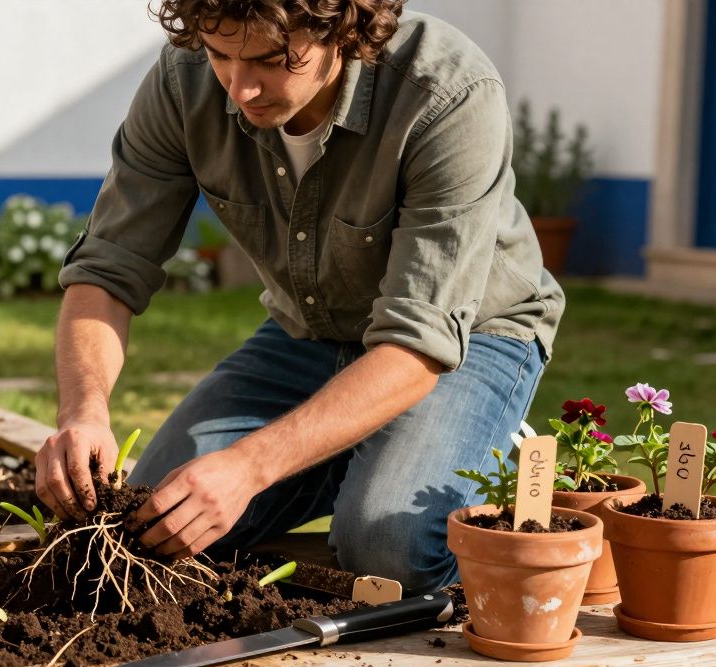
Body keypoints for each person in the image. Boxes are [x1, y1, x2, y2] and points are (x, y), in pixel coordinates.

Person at [35, 0, 563, 593]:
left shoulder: (447, 92)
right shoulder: (182, 81)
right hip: (309, 333)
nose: (242, 88)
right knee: (155, 523)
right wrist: (83, 412)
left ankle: (470, 442)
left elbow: (418, 342)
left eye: (269, 59)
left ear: (342, 28)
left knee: (388, 548)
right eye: (221, 56)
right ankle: (347, 449)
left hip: (463, 341)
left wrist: (251, 465)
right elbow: (107, 270)